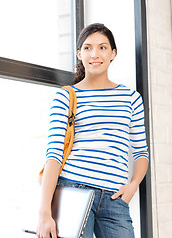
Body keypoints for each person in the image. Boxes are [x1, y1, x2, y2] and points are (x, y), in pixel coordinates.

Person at [36, 23, 149, 238]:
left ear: (113, 53)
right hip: (72, 190)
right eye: (87, 48)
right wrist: (44, 212)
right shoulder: (65, 96)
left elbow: (141, 153)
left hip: (115, 199)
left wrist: (133, 185)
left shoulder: (131, 98)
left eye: (103, 47)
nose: (95, 54)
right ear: (79, 54)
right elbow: (54, 155)